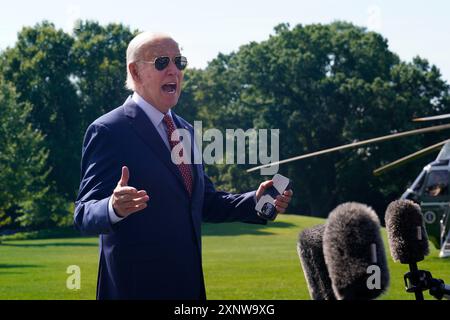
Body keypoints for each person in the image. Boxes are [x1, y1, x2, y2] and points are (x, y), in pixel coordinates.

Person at [74, 32, 293, 300]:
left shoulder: (185, 131)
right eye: (162, 62)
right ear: (135, 71)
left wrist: (256, 201)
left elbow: (205, 202)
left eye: (180, 62)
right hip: (134, 289)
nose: (174, 70)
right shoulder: (109, 130)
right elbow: (84, 213)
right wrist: (113, 207)